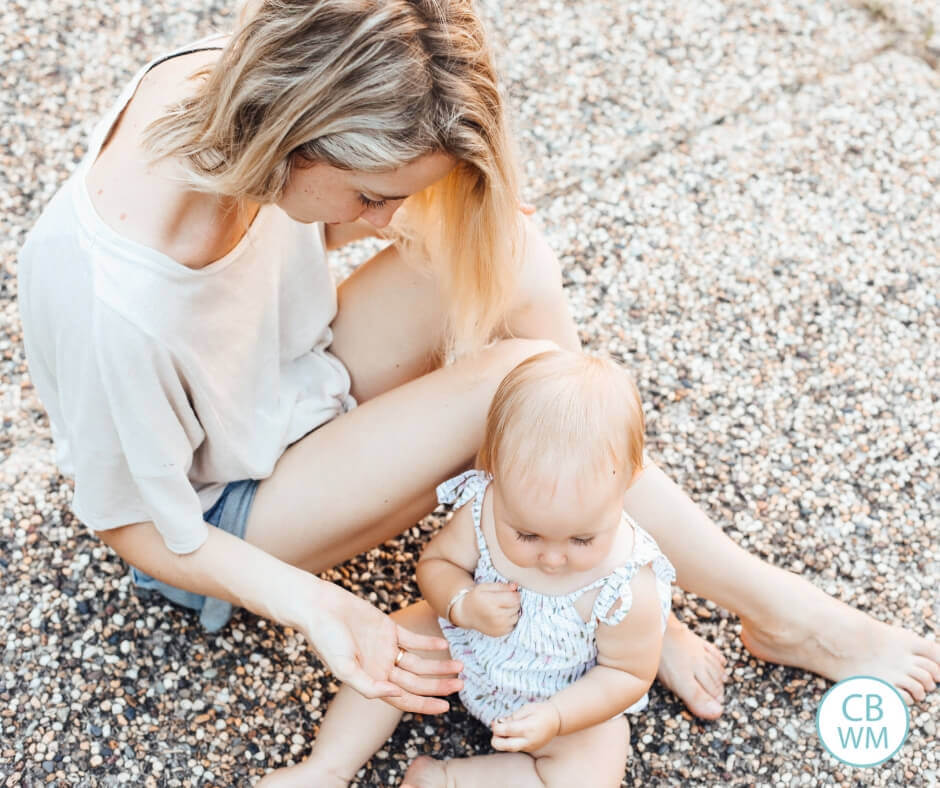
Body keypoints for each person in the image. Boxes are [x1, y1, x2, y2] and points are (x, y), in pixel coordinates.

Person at [16, 0, 938, 737]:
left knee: (511, 256)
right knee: (516, 380)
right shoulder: (117, 302)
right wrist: (323, 609)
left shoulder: (237, 83)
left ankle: (598, 564)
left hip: (285, 382)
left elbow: (359, 203)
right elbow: (133, 528)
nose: (380, 223)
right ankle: (777, 611)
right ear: (292, 138)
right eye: (374, 196)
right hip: (224, 515)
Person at [263, 350, 676, 788]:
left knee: (593, 768)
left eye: (581, 539)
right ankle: (328, 766)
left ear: (629, 480)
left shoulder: (626, 587)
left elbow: (626, 674)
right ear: (493, 471)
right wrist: (460, 602)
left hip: (562, 697)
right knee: (393, 642)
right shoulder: (484, 508)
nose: (552, 559)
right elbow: (438, 563)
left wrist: (558, 716)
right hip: (465, 649)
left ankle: (448, 780)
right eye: (528, 535)